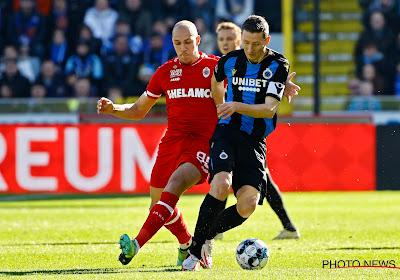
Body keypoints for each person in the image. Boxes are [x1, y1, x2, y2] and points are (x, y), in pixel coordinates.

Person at [98, 20, 299, 268]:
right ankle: (188, 243)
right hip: (173, 142)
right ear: (172, 44)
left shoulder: (213, 64)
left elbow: (251, 75)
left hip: (206, 142)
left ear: (198, 40)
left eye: (188, 42)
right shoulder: (164, 72)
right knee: (159, 205)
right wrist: (113, 109)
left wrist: (280, 85)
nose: (183, 47)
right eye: (178, 43)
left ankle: (146, 244)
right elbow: (139, 110)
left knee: (185, 186)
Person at [182, 15, 295, 271]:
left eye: (256, 44)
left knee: (247, 205)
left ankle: (205, 236)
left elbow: (268, 109)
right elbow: (215, 80)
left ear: (266, 40)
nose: (250, 49)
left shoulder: (278, 63)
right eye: (245, 43)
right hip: (227, 132)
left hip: (255, 140)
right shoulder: (230, 60)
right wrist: (220, 107)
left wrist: (236, 105)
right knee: (221, 184)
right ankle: (195, 251)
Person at [214, 21, 300, 240]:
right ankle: (216, 228)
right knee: (224, 174)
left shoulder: (251, 59)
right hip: (227, 127)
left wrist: (279, 85)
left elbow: (267, 89)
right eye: (221, 39)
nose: (225, 43)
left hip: (251, 133)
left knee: (262, 180)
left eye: (229, 40)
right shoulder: (219, 63)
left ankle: (215, 227)